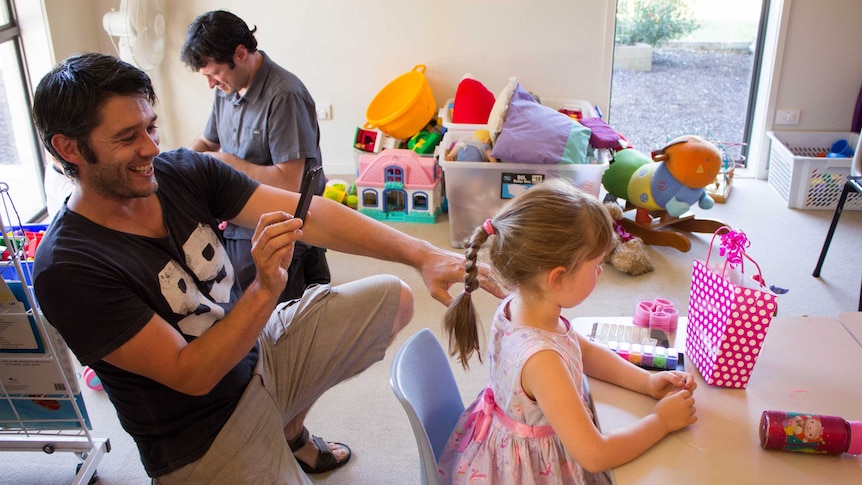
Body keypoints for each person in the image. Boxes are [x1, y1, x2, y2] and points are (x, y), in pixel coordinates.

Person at [29, 52, 500, 484]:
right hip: (199, 434)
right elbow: (190, 373)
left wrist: (422, 253)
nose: (151, 146)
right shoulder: (68, 267)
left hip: (258, 353)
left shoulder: (180, 171)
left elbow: (309, 212)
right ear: (70, 149)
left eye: (151, 127)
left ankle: (288, 428)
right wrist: (264, 288)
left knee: (392, 298)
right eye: (127, 137)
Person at [437, 178, 698, 485]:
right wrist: (661, 421)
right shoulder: (543, 362)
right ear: (557, 278)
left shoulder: (522, 304)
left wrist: (647, 381)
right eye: (596, 264)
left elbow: (579, 350)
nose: (601, 272)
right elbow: (595, 455)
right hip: (532, 471)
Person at [180, 10, 329, 303]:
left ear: (241, 53)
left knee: (242, 291)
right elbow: (207, 142)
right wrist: (177, 163)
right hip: (237, 205)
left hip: (279, 211)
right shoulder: (227, 87)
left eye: (214, 74)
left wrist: (227, 164)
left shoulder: (284, 95)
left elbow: (288, 184)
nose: (211, 84)